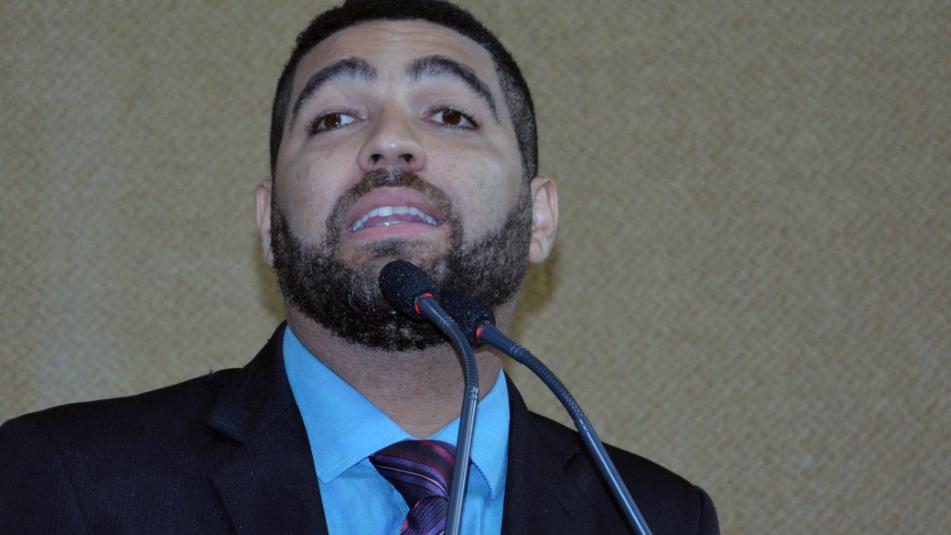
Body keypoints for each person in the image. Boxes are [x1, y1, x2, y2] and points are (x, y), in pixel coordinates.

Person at [0, 1, 719, 533]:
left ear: (540, 218)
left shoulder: (655, 516)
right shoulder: (62, 480)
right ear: (268, 223)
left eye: (452, 115)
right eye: (335, 119)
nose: (390, 142)